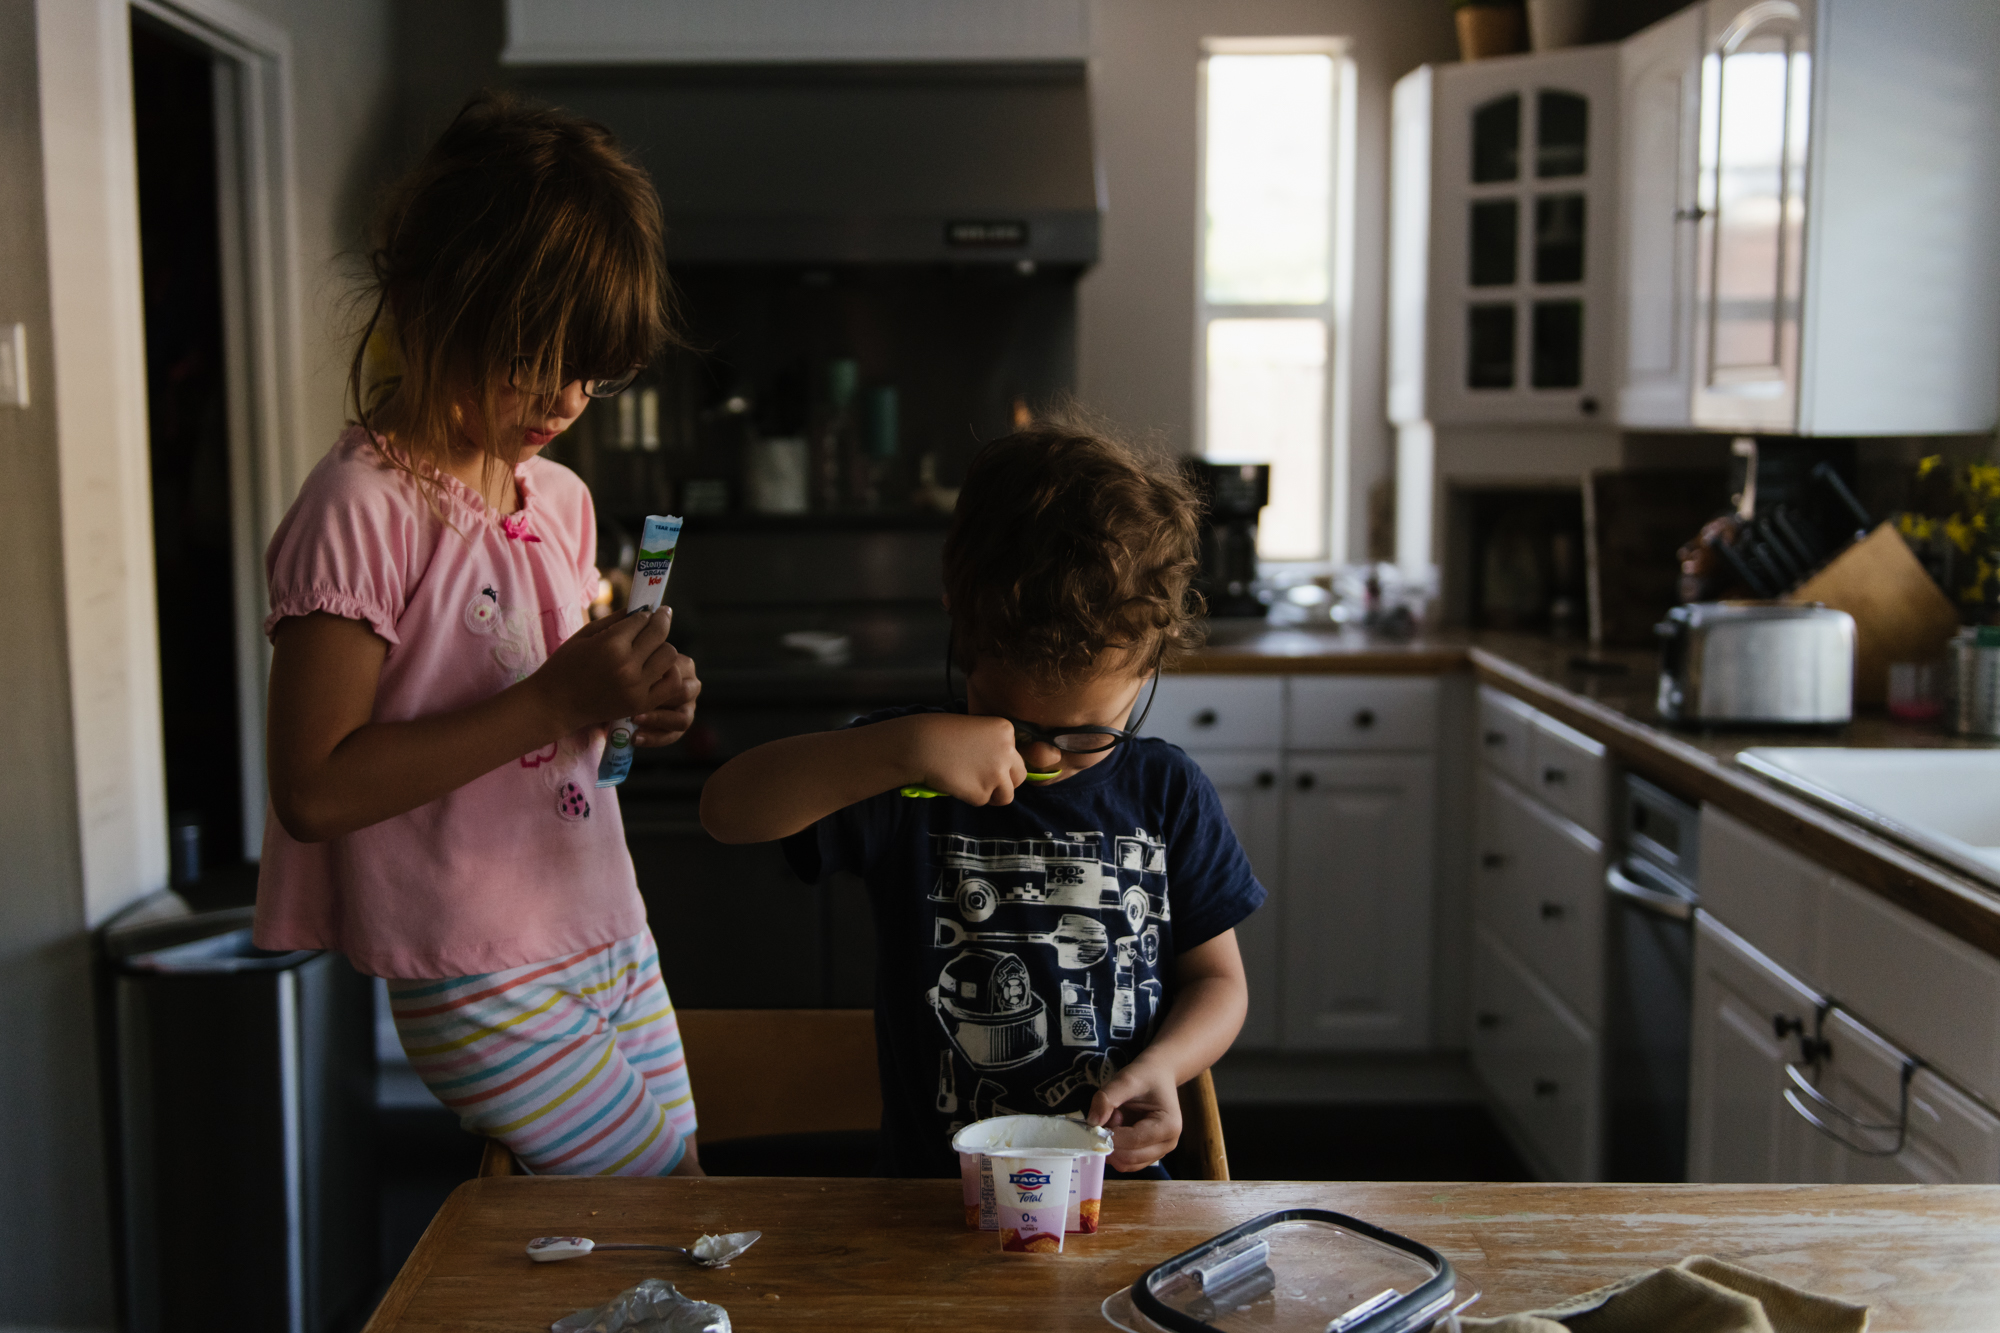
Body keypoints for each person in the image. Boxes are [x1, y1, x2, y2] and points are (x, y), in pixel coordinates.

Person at [254, 94, 706, 1176]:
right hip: (479, 966)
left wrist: (633, 703)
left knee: (660, 1229)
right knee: (664, 1219)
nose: (563, 396)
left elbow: (570, 750)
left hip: (606, 922)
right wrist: (551, 697)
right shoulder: (362, 506)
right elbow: (312, 788)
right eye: (528, 359)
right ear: (425, 305)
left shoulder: (555, 498)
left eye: (591, 369)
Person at [700, 418, 1264, 1177]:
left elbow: (1218, 982)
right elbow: (727, 809)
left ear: (1149, 667)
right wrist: (901, 746)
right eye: (1016, 718)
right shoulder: (907, 772)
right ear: (959, 628)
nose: (1041, 755)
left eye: (1084, 734)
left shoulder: (1167, 792)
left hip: (1115, 1203)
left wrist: (1165, 1064)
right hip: (930, 1213)